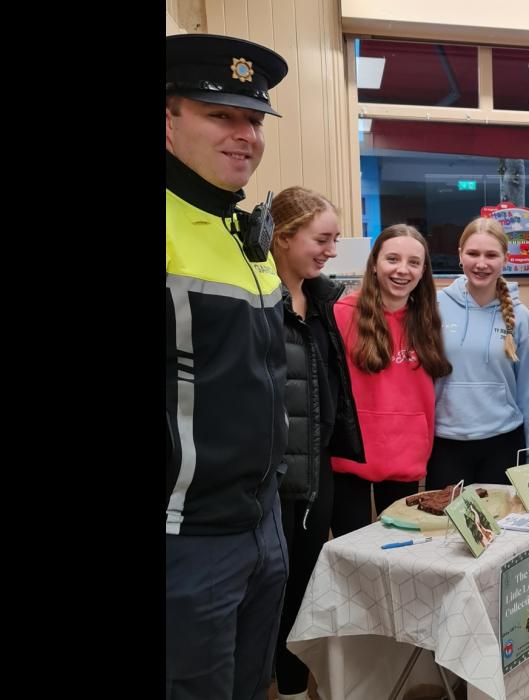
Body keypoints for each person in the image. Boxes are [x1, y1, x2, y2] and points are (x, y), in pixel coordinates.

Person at [165, 33, 291, 699]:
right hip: (187, 536)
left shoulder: (241, 231)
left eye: (253, 118)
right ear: (168, 118)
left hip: (260, 521)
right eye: (220, 115)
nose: (244, 134)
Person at [268, 187, 366, 700]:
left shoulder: (326, 300)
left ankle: (291, 690)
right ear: (283, 238)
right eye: (322, 239)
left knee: (305, 590)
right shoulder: (257, 299)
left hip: (317, 475)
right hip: (271, 477)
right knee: (267, 596)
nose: (332, 249)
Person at [330, 225, 452, 535]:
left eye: (414, 262)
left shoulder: (428, 319)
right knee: (351, 549)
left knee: (401, 554)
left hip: (406, 455)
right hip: (349, 457)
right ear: (374, 264)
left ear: (423, 270)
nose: (402, 270)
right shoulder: (341, 314)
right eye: (392, 259)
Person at [425, 217, 529, 489]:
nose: (481, 263)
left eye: (491, 255)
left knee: (505, 530)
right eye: (473, 253)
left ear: (505, 259)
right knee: (445, 530)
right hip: (446, 445)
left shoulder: (521, 318)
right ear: (460, 255)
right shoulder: (433, 308)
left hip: (504, 443)